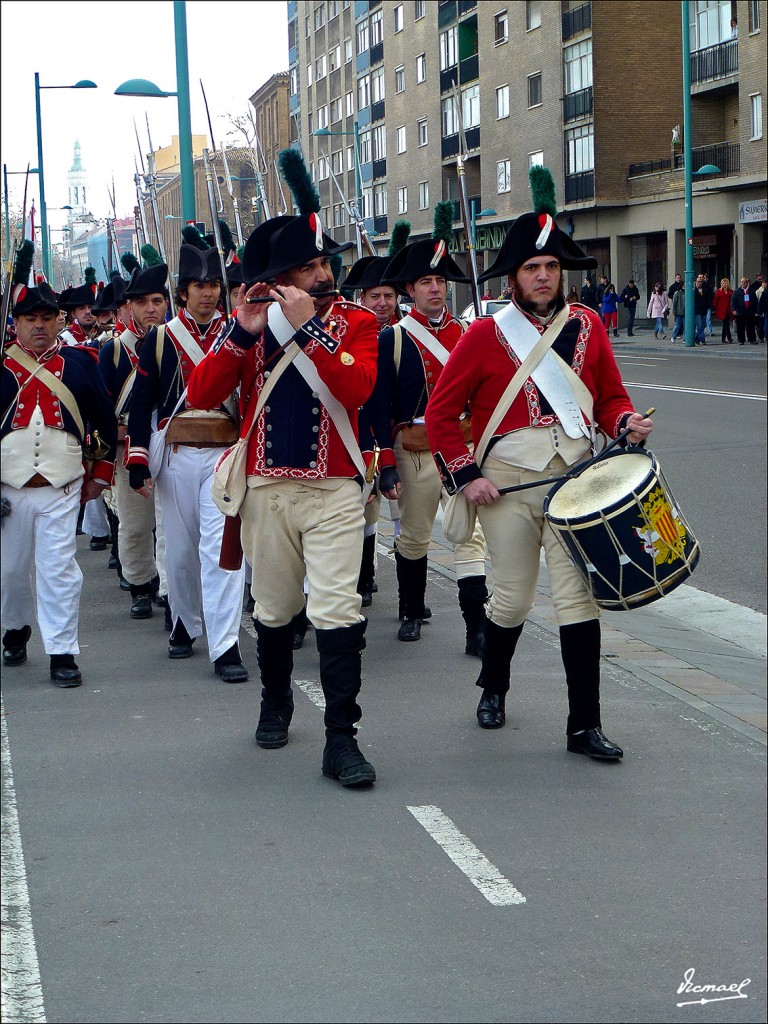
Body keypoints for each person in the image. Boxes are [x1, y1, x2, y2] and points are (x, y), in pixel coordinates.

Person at [425, 165, 654, 761]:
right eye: (533, 267)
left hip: (575, 484)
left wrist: (624, 423)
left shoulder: (588, 325)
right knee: (513, 598)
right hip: (506, 489)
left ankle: (584, 726)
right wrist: (467, 475)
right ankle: (493, 686)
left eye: (552, 266)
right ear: (515, 276)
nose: (545, 276)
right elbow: (443, 415)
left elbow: (609, 397)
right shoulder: (482, 335)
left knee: (580, 600)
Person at [186, 206, 380, 788]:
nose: (322, 275)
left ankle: (342, 739)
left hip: (336, 491)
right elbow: (201, 392)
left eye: (323, 263)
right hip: (267, 490)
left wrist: (312, 331)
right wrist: (240, 331)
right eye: (307, 267)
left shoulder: (356, 323)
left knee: (337, 610)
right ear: (278, 279)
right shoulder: (252, 324)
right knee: (272, 608)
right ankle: (276, 703)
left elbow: (357, 389)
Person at [361, 203, 489, 656]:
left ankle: (476, 624)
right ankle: (411, 610)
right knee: (414, 535)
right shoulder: (392, 338)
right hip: (414, 449)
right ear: (410, 289)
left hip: (463, 446)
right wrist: (387, 465)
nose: (435, 289)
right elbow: (379, 408)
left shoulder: (471, 335)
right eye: (426, 282)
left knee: (469, 536)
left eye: (440, 281)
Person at [126, 245, 249, 681]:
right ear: (183, 292)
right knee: (179, 552)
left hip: (222, 454)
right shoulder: (160, 338)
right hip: (177, 454)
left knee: (221, 553)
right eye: (200, 285)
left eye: (214, 285)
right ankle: (184, 621)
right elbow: (143, 403)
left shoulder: (238, 331)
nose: (208, 294)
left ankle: (226, 644)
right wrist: (138, 460)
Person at [1, 277, 118, 686]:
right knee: (9, 571)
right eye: (30, 317)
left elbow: (102, 420)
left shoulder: (81, 361)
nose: (39, 325)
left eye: (47, 317)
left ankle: (62, 650)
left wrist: (101, 474)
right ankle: (15, 628)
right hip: (7, 489)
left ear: (58, 320)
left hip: (62, 485)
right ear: (14, 323)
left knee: (58, 570)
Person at [343, 220, 410, 608]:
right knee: (364, 516)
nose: (382, 303)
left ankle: (409, 595)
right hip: (361, 436)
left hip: (400, 437)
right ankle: (363, 579)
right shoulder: (350, 332)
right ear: (362, 298)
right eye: (374, 296)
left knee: (405, 517)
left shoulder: (407, 334)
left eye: (388, 295)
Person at [99, 264, 166, 619]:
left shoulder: (175, 343)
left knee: (171, 527)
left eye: (157, 300)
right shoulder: (113, 352)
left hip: (172, 448)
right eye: (142, 302)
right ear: (130, 307)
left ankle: (168, 585)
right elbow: (101, 408)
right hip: (129, 450)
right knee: (136, 525)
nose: (150, 308)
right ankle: (140, 584)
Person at [731, 276, 757, 345]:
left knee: (751, 326)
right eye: (742, 282)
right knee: (740, 327)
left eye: (744, 282)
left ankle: (752, 339)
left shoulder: (752, 290)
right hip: (740, 311)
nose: (743, 283)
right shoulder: (737, 291)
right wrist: (733, 309)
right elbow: (733, 301)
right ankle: (741, 340)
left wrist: (755, 310)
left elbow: (755, 301)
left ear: (747, 283)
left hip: (750, 311)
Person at [712, 278, 733, 344]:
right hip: (721, 310)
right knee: (726, 324)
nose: (722, 284)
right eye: (721, 283)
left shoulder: (731, 291)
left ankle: (723, 339)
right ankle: (729, 338)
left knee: (725, 324)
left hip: (728, 310)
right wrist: (715, 308)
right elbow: (715, 300)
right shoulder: (719, 291)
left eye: (723, 283)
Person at [692, 273, 710, 346]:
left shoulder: (705, 289)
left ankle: (696, 338)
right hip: (697, 311)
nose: (700, 283)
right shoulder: (693, 291)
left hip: (704, 310)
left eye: (701, 282)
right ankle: (702, 340)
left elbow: (708, 298)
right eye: (698, 282)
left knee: (703, 325)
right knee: (699, 325)